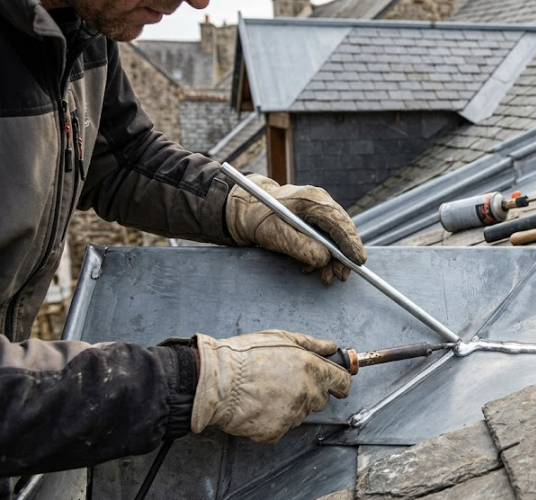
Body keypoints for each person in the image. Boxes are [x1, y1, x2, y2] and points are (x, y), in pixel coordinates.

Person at [0, 0, 367, 491]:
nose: (198, 2)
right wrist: (197, 383)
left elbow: (120, 156)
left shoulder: (81, 25)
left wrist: (242, 204)